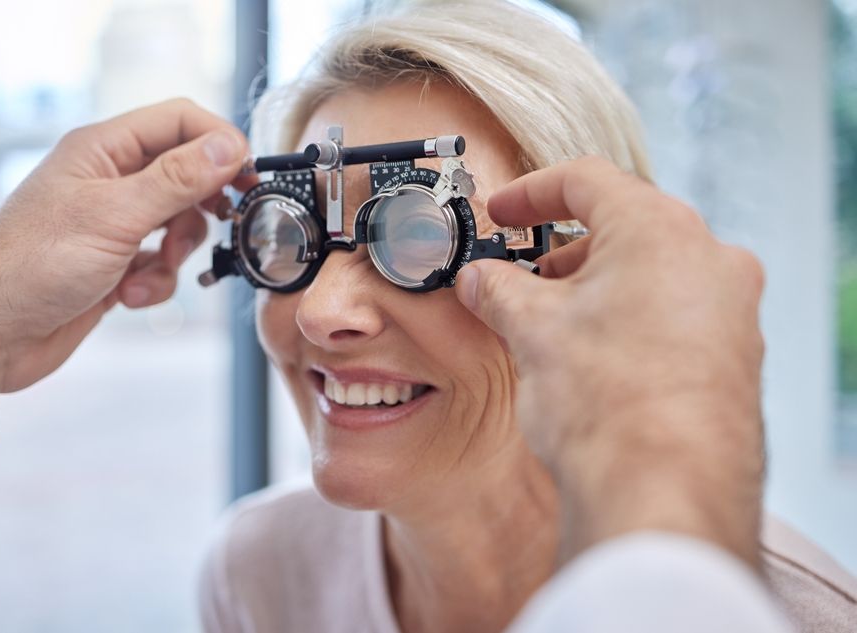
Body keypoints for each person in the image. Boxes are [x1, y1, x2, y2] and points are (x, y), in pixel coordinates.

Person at [196, 3, 857, 633]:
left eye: (420, 233)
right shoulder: (260, 573)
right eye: (288, 235)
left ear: (587, 274)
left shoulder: (794, 616)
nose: (319, 311)